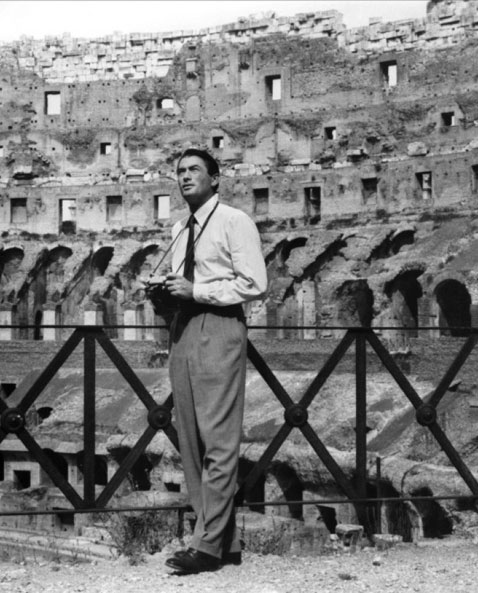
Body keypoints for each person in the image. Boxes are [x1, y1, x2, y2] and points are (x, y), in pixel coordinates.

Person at [162, 148, 267, 574]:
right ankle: (226, 541)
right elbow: (182, 285)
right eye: (180, 172)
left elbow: (255, 283)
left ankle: (206, 547)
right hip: (183, 331)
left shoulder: (233, 221)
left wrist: (198, 290)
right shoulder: (178, 227)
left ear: (215, 178)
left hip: (219, 327)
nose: (185, 177)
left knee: (219, 441)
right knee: (191, 440)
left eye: (194, 170)